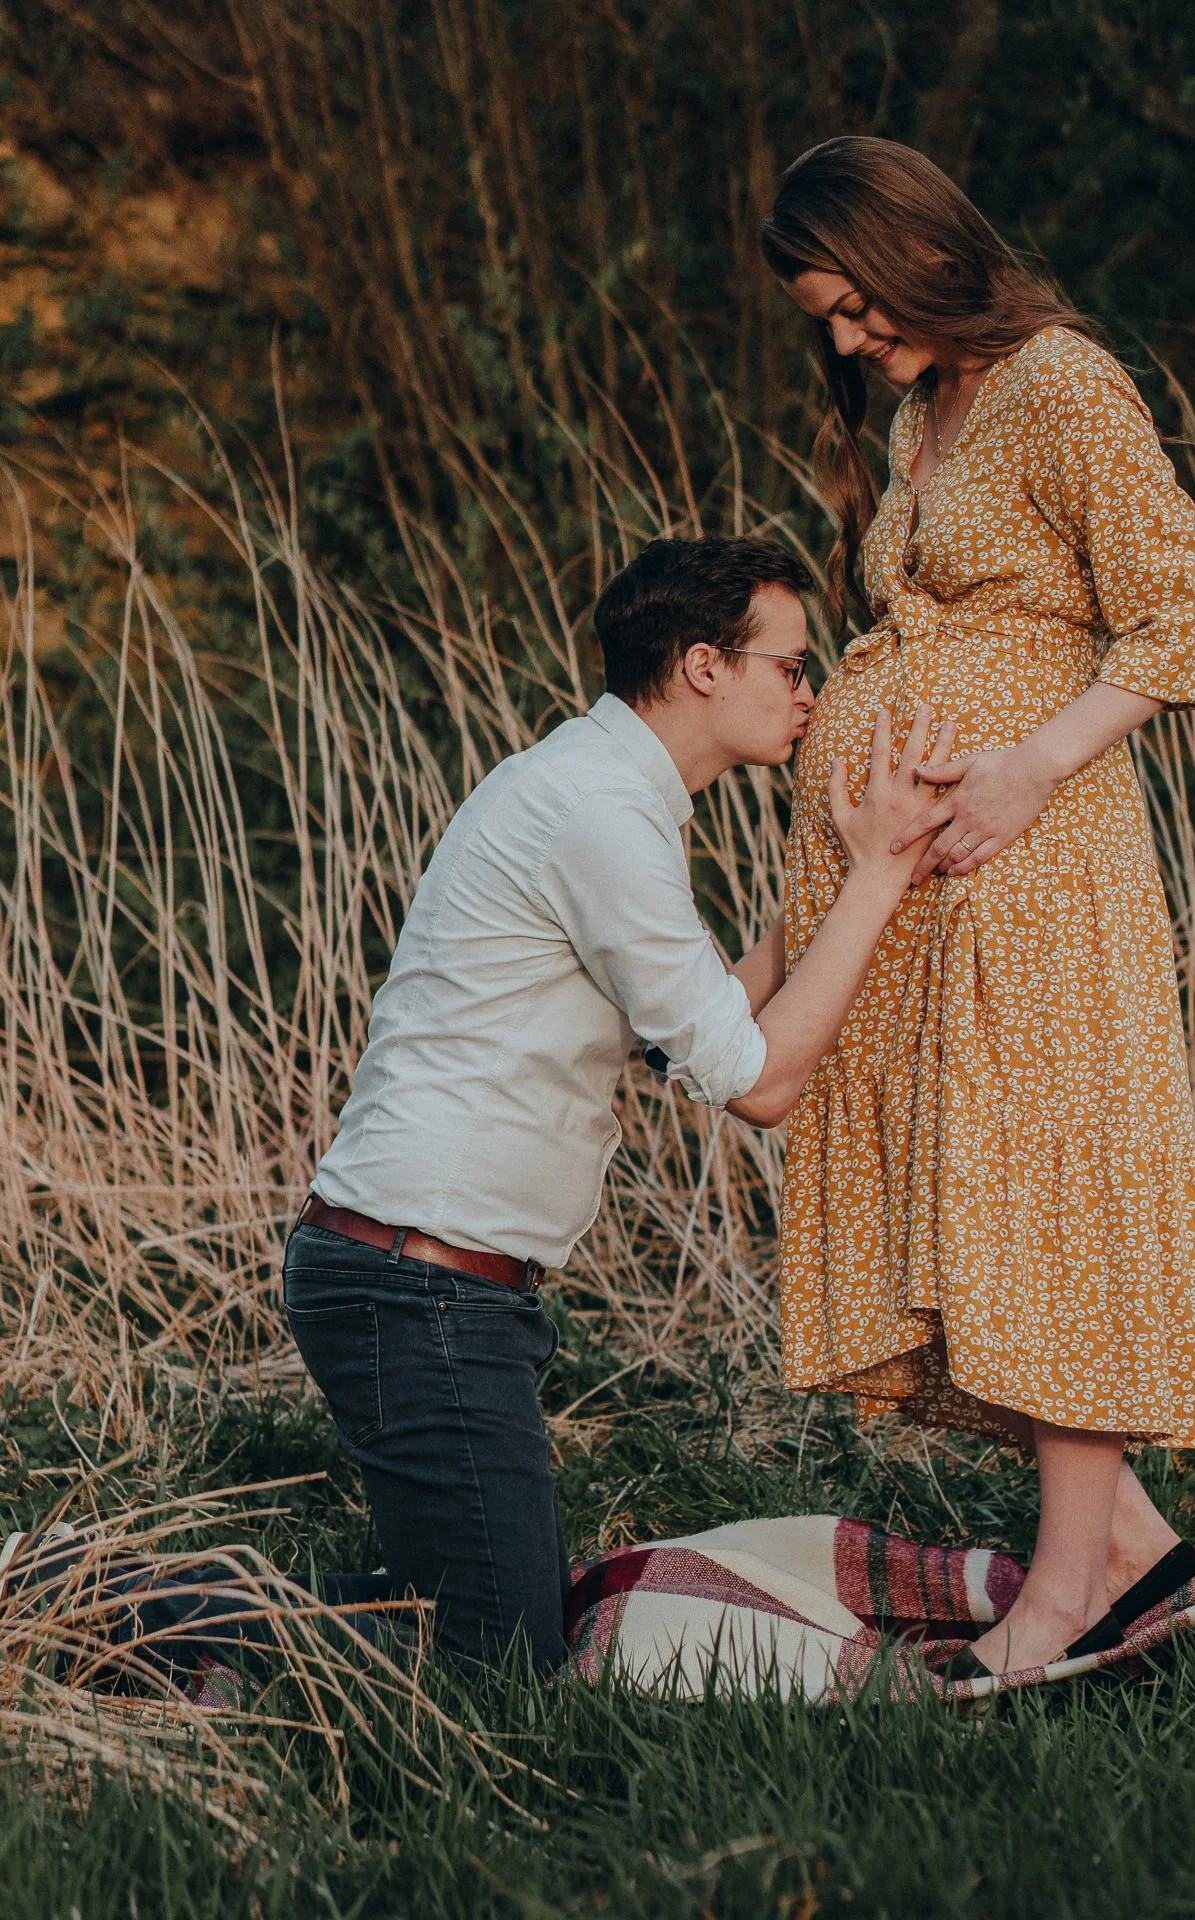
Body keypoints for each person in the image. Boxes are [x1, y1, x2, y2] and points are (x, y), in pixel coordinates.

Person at [280, 532, 954, 1676]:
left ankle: (149, 1600)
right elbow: (761, 1082)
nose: (811, 693)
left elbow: (692, 1030)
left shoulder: (599, 788)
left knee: (484, 1610)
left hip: (430, 1281)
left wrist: (839, 886)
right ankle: (117, 1608)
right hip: (416, 1286)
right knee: (504, 1661)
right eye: (790, 667)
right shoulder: (598, 810)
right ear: (703, 665)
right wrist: (883, 875)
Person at [760, 138, 1195, 1686]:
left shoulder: (1056, 384)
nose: (843, 341)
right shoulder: (923, 414)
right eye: (823, 319)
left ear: (915, 253)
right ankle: (1127, 1552)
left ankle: (1057, 1600)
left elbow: (1187, 610)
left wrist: (1034, 766)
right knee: (978, 1204)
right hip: (936, 885)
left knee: (1049, 1195)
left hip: (1035, 867)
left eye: (852, 304)